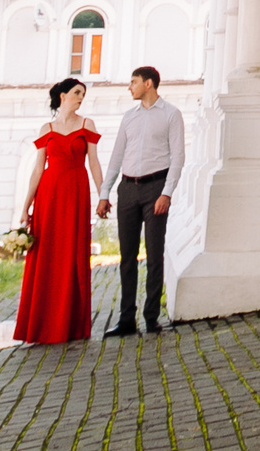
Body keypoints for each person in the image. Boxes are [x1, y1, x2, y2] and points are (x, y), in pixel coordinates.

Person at [13, 76, 104, 344]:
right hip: (48, 198)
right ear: (62, 96)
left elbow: (95, 164)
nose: (80, 98)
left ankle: (70, 324)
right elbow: (37, 169)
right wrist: (26, 206)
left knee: (72, 254)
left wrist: (104, 195)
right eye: (76, 92)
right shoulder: (46, 128)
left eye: (83, 94)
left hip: (76, 194)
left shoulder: (87, 124)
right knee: (47, 256)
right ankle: (42, 325)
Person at [94, 64, 183, 336]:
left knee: (155, 255)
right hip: (128, 189)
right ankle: (126, 320)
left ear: (148, 84)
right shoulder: (128, 118)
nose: (129, 87)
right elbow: (116, 157)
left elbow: (178, 157)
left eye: (133, 82)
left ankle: (151, 317)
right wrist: (104, 193)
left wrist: (166, 193)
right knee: (127, 258)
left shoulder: (171, 115)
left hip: (155, 188)